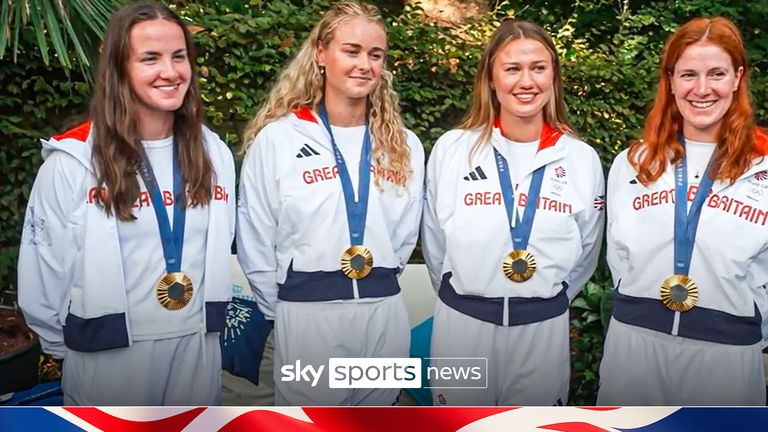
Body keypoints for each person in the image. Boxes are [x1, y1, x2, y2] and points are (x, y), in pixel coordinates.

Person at [17, 2, 235, 405]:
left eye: (178, 56)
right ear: (119, 69)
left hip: (197, 350)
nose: (170, 72)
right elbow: (42, 275)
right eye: (150, 58)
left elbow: (222, 245)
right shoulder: (75, 160)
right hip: (108, 356)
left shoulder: (214, 152)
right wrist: (73, 349)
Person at [237, 1, 424, 406]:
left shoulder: (404, 144)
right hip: (307, 313)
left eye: (375, 55)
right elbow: (255, 236)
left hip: (383, 312)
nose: (364, 65)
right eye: (351, 51)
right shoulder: (280, 140)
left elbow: (405, 233)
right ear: (322, 54)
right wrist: (285, 310)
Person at [421, 19, 605, 406]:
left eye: (538, 68)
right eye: (512, 69)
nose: (526, 81)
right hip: (464, 326)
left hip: (542, 329)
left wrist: (543, 299)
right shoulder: (453, 150)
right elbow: (436, 244)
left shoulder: (580, 158)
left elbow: (586, 252)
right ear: (491, 77)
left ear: (553, 76)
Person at [599, 16, 768, 405]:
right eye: (688, 74)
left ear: (737, 78)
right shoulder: (633, 162)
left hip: (726, 357)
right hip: (634, 349)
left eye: (717, 73)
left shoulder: (762, 167)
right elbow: (618, 258)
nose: (702, 89)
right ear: (671, 80)